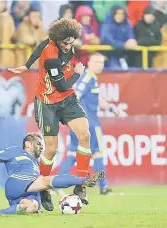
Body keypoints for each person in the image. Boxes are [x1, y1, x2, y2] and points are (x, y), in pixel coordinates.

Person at [9, 18, 93, 211]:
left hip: (67, 100)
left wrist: (27, 64)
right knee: (51, 149)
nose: (68, 45)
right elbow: (62, 84)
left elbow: (38, 46)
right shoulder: (51, 57)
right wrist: (78, 73)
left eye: (71, 42)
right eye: (64, 42)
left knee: (85, 135)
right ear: (57, 40)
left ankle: (80, 184)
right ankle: (44, 187)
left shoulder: (62, 42)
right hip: (47, 102)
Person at [0, 132, 105, 215]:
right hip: (17, 182)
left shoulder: (36, 163)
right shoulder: (15, 151)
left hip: (25, 194)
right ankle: (83, 180)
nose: (42, 147)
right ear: (28, 144)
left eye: (42, 145)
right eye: (39, 144)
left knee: (32, 207)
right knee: (45, 181)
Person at [57, 53, 120, 195]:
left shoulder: (91, 79)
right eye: (96, 61)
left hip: (77, 122)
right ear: (89, 63)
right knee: (98, 153)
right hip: (90, 123)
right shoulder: (88, 77)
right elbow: (76, 94)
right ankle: (103, 187)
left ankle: (56, 184)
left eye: (102, 62)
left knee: (73, 153)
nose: (100, 64)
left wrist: (110, 107)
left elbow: (95, 98)